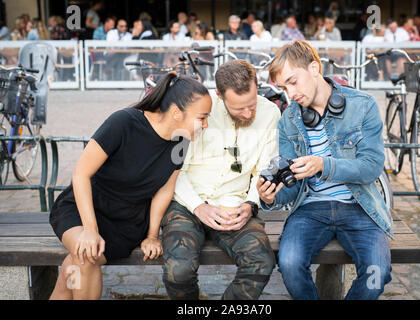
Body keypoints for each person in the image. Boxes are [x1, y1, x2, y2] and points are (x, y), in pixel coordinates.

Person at [48, 72, 212, 300]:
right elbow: (81, 173)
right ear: (176, 113)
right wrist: (89, 230)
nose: (205, 125)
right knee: (85, 255)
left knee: (72, 270)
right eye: (202, 117)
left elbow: (165, 190)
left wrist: (153, 235)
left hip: (127, 222)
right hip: (83, 208)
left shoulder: (181, 140)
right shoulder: (123, 122)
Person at [258, 40, 393, 300]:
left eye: (293, 81)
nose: (290, 94)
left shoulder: (363, 105)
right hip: (310, 210)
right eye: (284, 87)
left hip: (359, 206)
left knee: (377, 272)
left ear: (314, 68)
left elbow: (371, 167)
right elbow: (292, 183)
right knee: (289, 264)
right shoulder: (289, 120)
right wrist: (271, 197)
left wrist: (323, 164)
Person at [162, 59, 280, 300]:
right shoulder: (199, 108)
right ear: (219, 95)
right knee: (179, 271)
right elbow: (175, 169)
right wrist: (199, 206)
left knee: (260, 262)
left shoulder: (270, 113)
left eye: (252, 105)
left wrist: (251, 204)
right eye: (239, 108)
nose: (248, 113)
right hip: (186, 203)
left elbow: (264, 169)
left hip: (235, 205)